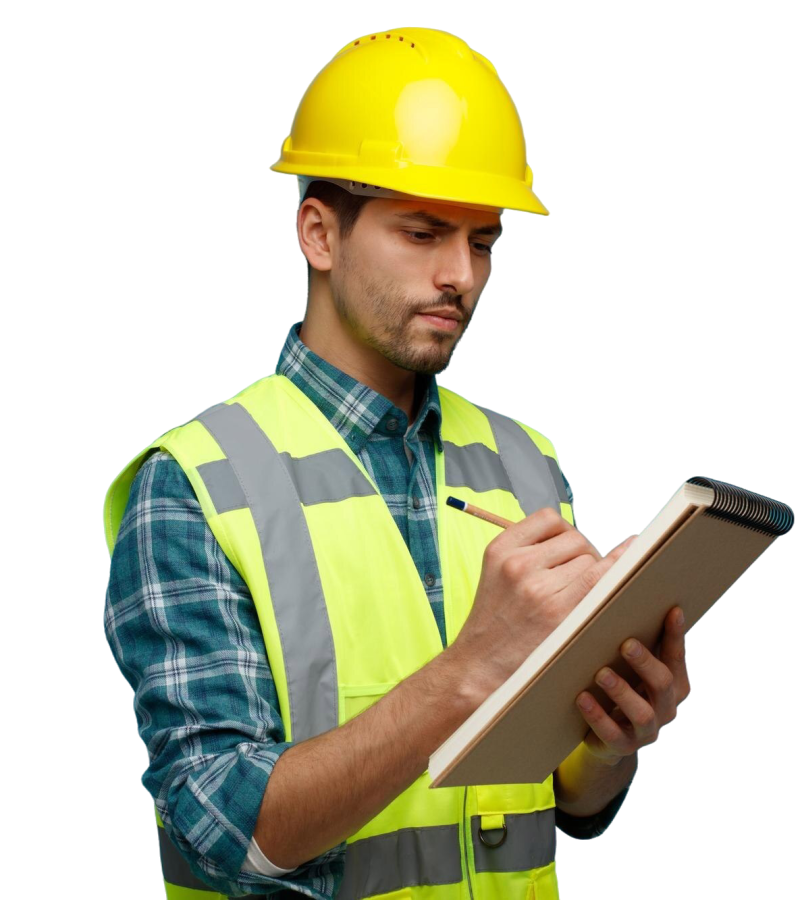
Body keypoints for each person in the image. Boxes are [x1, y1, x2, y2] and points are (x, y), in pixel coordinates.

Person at [103, 27, 690, 900]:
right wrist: (466, 675)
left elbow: (568, 805)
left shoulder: (529, 461)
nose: (461, 274)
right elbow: (222, 826)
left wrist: (609, 744)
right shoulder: (195, 483)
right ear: (318, 233)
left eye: (484, 242)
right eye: (423, 232)